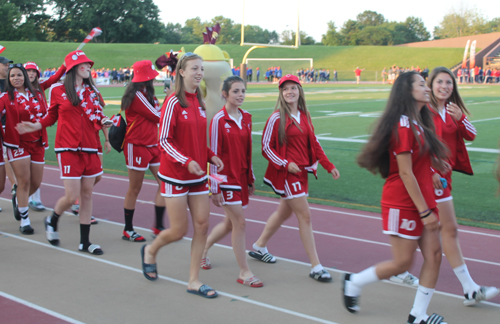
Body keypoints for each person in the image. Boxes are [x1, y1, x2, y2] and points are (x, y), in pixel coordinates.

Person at [343, 71, 449, 324]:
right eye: (421, 84)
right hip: (403, 202)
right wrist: (425, 212)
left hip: (421, 199)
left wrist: (433, 171)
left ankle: (418, 315)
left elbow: (417, 164)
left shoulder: (420, 122)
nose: (427, 87)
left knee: (434, 255)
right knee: (402, 263)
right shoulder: (402, 125)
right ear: (407, 91)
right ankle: (354, 282)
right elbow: (404, 172)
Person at [395, 67, 499, 305]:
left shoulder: (452, 110)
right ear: (431, 85)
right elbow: (417, 144)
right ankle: (467, 287)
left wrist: (460, 118)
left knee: (442, 229)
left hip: (445, 177)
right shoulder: (424, 110)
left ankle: (401, 265)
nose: (445, 86)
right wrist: (430, 171)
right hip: (428, 177)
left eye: (449, 83)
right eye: (440, 82)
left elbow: (471, 134)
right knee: (441, 228)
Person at [140, 53, 224, 299]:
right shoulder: (173, 102)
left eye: (202, 68)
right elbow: (163, 141)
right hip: (175, 176)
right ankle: (151, 251)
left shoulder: (199, 100)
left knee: (202, 225)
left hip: (198, 176)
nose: (199, 72)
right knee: (178, 230)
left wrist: (209, 155)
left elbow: (198, 139)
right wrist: (186, 161)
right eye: (194, 68)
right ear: (182, 72)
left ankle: (194, 280)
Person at [16, 50, 111, 254]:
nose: (89, 67)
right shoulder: (58, 90)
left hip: (90, 147)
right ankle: (53, 219)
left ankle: (85, 242)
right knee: (71, 196)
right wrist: (35, 126)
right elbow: (51, 117)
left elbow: (98, 115)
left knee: (87, 194)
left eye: (89, 64)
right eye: (84, 64)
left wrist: (105, 122)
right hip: (67, 148)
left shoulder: (92, 91)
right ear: (74, 68)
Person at [248, 74, 340, 282]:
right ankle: (316, 267)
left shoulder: (305, 115)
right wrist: (283, 163)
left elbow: (314, 143)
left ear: (300, 91)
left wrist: (328, 165)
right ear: (280, 93)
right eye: (285, 89)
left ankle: (259, 246)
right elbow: (265, 147)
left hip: (303, 172)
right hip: (287, 175)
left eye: (293, 88)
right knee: (305, 215)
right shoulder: (276, 118)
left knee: (283, 213)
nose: (289, 92)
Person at [202, 76, 263, 288]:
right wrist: (214, 187)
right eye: (236, 91)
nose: (240, 95)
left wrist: (250, 178)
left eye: (243, 91)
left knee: (229, 224)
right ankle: (245, 272)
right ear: (225, 94)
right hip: (226, 180)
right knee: (240, 222)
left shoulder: (246, 117)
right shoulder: (219, 120)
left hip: (241, 177)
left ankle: (203, 249)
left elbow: (248, 152)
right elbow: (214, 154)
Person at [120, 60, 168, 242]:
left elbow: (157, 113)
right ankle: (128, 229)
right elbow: (158, 116)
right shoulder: (138, 96)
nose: (154, 79)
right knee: (135, 188)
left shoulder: (148, 94)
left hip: (152, 144)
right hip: (137, 145)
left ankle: (158, 225)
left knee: (164, 183)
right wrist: (169, 99)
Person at [2, 63, 49, 234]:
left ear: (25, 78)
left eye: (19, 75)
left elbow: (46, 114)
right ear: (8, 78)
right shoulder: (5, 98)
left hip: (37, 143)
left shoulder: (37, 95)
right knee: (24, 181)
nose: (16, 78)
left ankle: (18, 199)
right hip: (17, 144)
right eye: (12, 75)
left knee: (35, 183)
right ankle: (24, 219)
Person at [24, 61, 67, 211]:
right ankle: (25, 199)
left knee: (36, 171)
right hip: (22, 135)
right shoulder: (18, 90)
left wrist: (63, 66)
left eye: (34, 72)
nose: (31, 74)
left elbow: (54, 79)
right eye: (28, 71)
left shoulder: (41, 87)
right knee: (25, 170)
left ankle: (35, 198)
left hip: (39, 134)